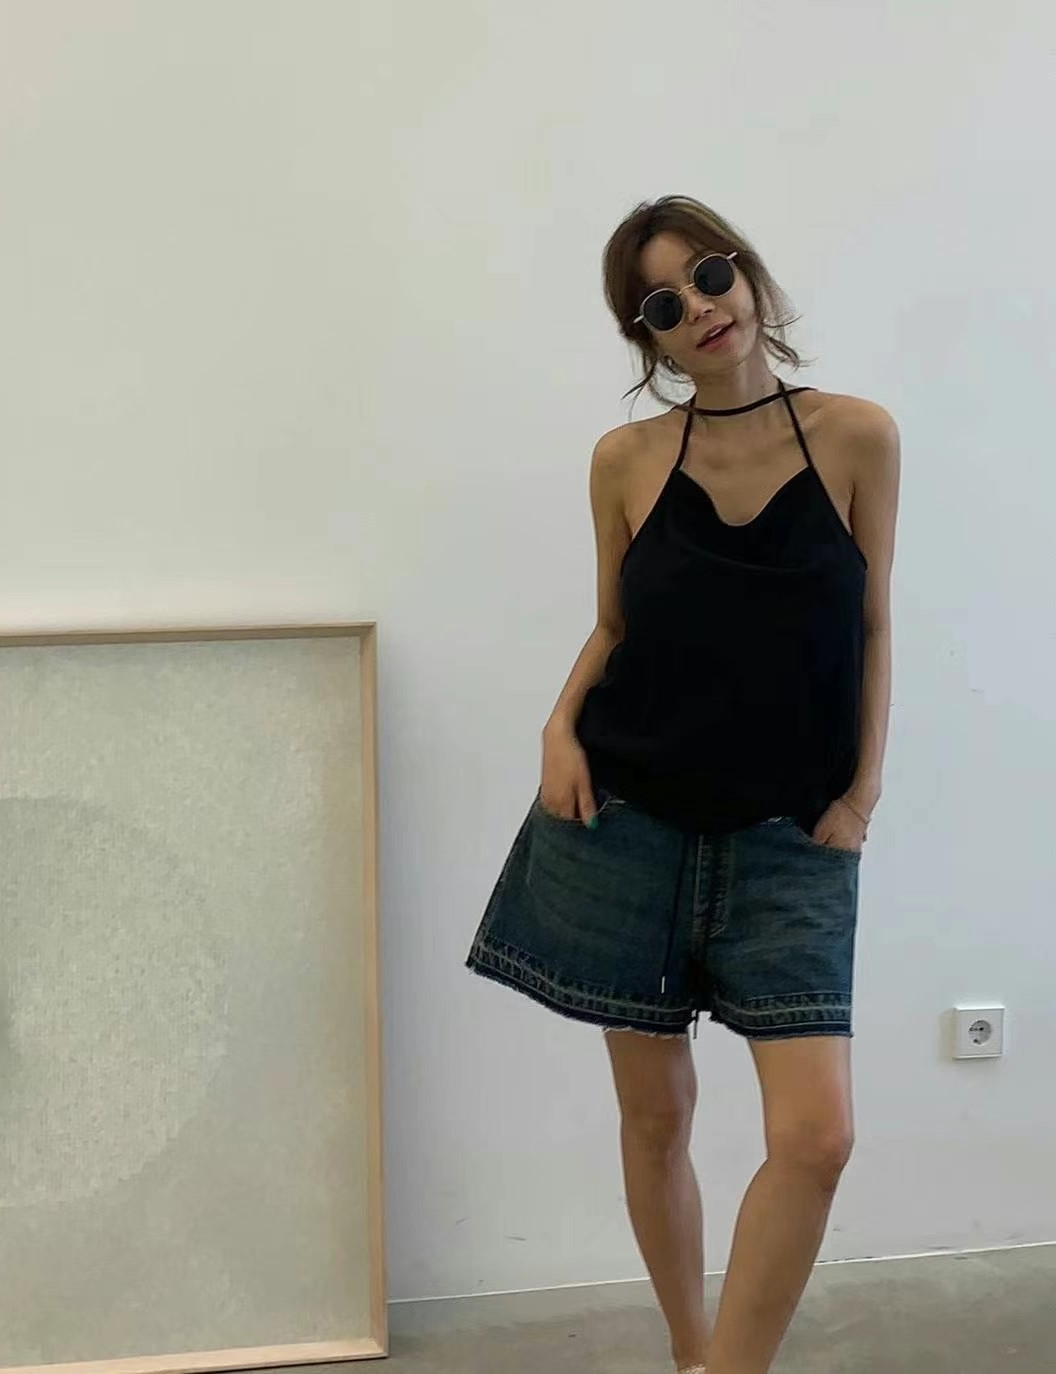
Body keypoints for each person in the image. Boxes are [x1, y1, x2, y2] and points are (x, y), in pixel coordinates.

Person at [466, 195, 900, 1374]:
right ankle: (689, 1351)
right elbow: (615, 624)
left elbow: (872, 624)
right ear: (646, 336)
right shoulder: (626, 461)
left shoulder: (857, 437)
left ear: (744, 272)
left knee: (816, 1137)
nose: (701, 309)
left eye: (710, 275)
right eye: (665, 303)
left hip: (792, 837)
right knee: (656, 1119)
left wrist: (860, 797)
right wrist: (558, 726)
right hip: (628, 824)